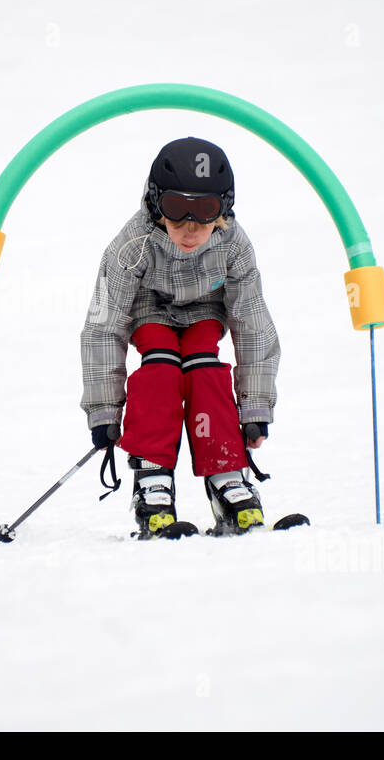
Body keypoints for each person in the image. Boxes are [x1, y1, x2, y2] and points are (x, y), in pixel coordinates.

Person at [80, 137, 280, 537]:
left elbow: (252, 321)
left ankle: (228, 475)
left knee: (204, 364)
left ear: (222, 211)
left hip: (206, 311)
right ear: (157, 205)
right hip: (147, 311)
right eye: (176, 217)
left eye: (203, 219)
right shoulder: (131, 246)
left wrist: (255, 408)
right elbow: (104, 325)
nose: (190, 233)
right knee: (161, 365)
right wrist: (104, 412)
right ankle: (152, 480)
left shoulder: (234, 246)